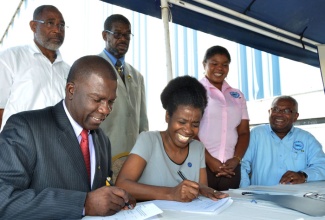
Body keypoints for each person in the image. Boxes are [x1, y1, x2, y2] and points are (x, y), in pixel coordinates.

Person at [0, 56, 135, 219]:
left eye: (111, 102)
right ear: (71, 90)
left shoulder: (102, 140)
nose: (106, 110)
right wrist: (84, 204)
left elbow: (95, 191)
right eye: (97, 99)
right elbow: (3, 199)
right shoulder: (26, 128)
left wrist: (117, 200)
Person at [116, 75, 228, 202]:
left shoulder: (198, 148)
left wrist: (206, 190)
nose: (188, 130)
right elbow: (122, 185)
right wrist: (171, 193)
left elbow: (201, 186)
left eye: (195, 124)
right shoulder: (148, 141)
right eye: (182, 122)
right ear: (168, 116)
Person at [0, 5, 70, 130]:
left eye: (61, 25)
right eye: (50, 23)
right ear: (33, 26)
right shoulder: (10, 58)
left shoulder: (69, 71)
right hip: (19, 144)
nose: (57, 30)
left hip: (57, 145)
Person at [240, 96, 325, 187]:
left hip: (296, 198)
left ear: (295, 117)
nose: (279, 114)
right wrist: (244, 191)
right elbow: (243, 166)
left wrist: (303, 175)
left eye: (287, 111)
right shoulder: (256, 134)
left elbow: (321, 166)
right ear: (269, 112)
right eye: (275, 109)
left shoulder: (306, 138)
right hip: (261, 197)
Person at [198, 45, 250, 191]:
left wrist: (236, 159)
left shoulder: (237, 95)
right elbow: (190, 132)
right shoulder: (195, 90)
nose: (219, 68)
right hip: (201, 164)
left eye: (225, 64)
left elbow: (244, 132)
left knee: (230, 209)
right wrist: (210, 160)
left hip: (231, 168)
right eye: (214, 63)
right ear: (204, 64)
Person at [98, 14, 148, 157]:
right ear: (104, 35)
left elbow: (143, 123)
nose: (123, 39)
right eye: (117, 34)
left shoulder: (137, 76)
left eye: (127, 35)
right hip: (103, 152)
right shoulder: (93, 68)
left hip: (133, 155)